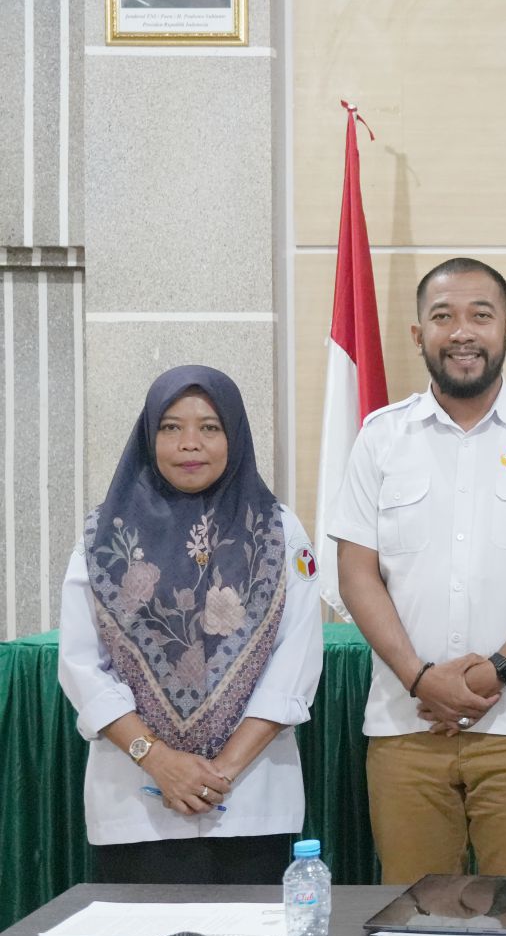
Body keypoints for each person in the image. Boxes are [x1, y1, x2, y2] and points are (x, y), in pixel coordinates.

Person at [330, 258, 506, 884]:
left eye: (481, 315)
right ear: (418, 335)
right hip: (405, 724)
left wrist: (499, 670)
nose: (463, 332)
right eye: (443, 317)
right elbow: (356, 573)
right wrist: (420, 678)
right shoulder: (381, 436)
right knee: (415, 918)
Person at [56, 366, 323, 883]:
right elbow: (82, 666)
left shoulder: (278, 529)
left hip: (250, 800)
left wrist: (218, 772)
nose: (189, 444)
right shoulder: (101, 536)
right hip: (135, 804)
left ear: (235, 436)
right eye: (171, 427)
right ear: (148, 436)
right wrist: (158, 761)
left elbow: (296, 661)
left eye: (209, 427)